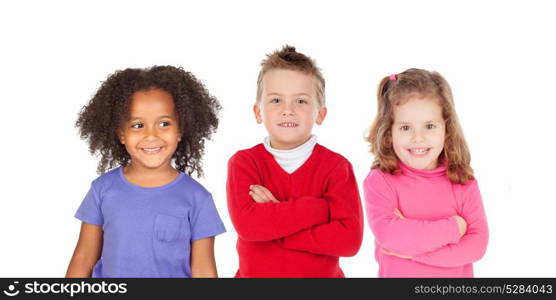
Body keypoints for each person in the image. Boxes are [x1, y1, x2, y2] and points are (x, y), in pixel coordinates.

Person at [66, 66, 226, 278]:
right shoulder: (102, 190)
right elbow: (83, 259)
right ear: (121, 134)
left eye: (164, 123)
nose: (151, 135)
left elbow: (204, 271)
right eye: (138, 125)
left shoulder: (198, 198)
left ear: (180, 130)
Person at [226, 45, 363, 277]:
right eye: (276, 100)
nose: (287, 110)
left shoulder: (337, 167)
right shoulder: (244, 163)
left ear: (320, 114)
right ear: (258, 112)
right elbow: (249, 227)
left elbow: (348, 240)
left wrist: (274, 219)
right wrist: (319, 208)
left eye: (301, 101)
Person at [364, 68, 488, 277]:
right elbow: (391, 237)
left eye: (429, 126)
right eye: (405, 128)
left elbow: (477, 245)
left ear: (446, 129)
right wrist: (454, 228)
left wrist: (415, 254)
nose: (418, 138)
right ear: (389, 131)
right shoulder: (381, 181)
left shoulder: (462, 181)